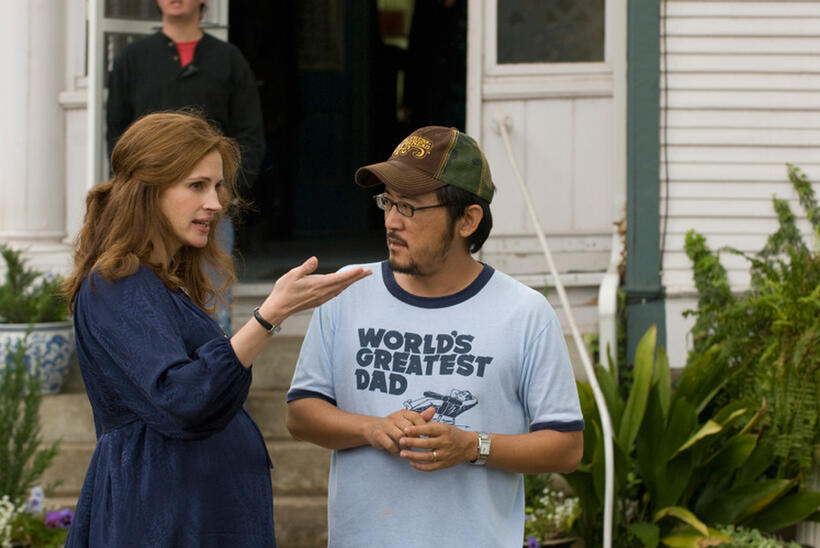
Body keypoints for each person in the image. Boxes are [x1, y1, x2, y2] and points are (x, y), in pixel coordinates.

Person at [63, 111, 370, 547]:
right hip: (162, 517)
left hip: (195, 512)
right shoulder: (115, 283)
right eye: (196, 186)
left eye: (217, 186)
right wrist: (268, 317)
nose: (216, 203)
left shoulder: (160, 285)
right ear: (148, 190)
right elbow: (182, 399)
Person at [286, 126, 584, 546]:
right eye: (387, 202)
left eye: (408, 207)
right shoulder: (346, 292)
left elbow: (566, 448)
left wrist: (470, 446)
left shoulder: (524, 313)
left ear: (468, 219)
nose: (391, 221)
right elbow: (301, 415)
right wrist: (371, 428)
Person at [106, 0, 265, 335]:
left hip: (212, 214)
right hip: (145, 211)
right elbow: (117, 135)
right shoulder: (132, 59)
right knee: (144, 308)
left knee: (212, 309)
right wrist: (136, 190)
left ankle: (215, 382)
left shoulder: (229, 60)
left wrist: (223, 194)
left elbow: (250, 134)